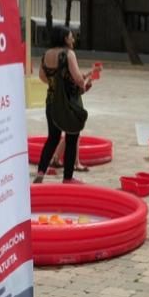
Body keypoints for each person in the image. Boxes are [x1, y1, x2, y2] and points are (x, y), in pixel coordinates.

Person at [33, 26, 93, 184]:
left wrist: (57, 84)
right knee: (72, 137)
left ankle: (40, 172)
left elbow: (42, 77)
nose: (73, 39)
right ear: (65, 38)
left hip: (51, 101)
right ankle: (67, 177)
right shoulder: (68, 54)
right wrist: (84, 82)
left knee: (52, 138)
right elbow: (79, 79)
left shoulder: (46, 54)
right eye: (71, 36)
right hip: (68, 103)